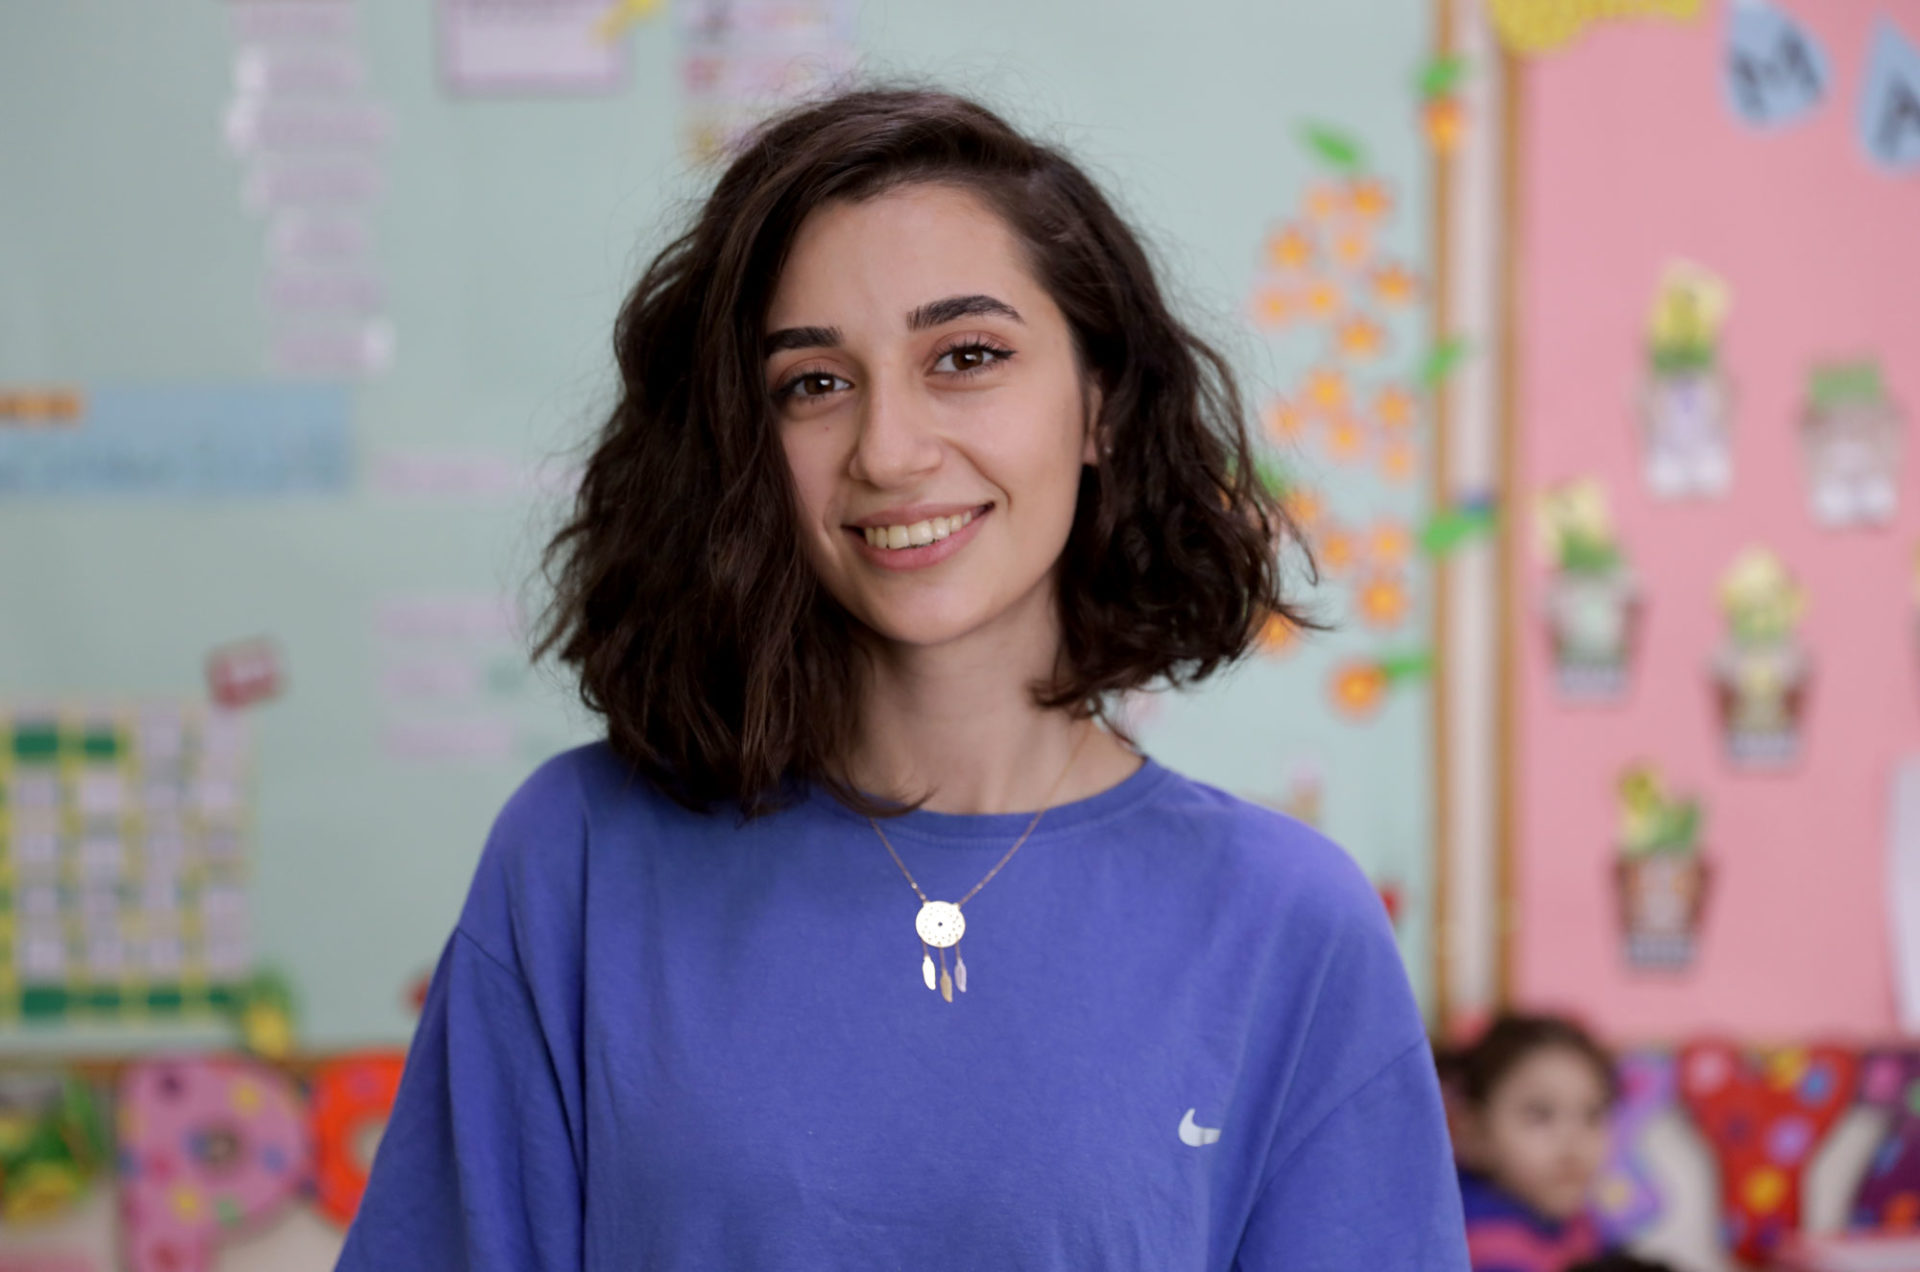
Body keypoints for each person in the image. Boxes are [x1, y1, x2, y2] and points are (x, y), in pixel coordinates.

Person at [336, 86, 1467, 1271]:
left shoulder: (1291, 925)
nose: (888, 450)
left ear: (1102, 404)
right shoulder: (575, 858)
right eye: (814, 384)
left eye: (967, 357)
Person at [1444, 1014, 1618, 1272]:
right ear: (1474, 1133)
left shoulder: (1580, 1224)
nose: (1573, 1142)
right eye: (1540, 1115)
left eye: (1592, 1115)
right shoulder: (1480, 1245)